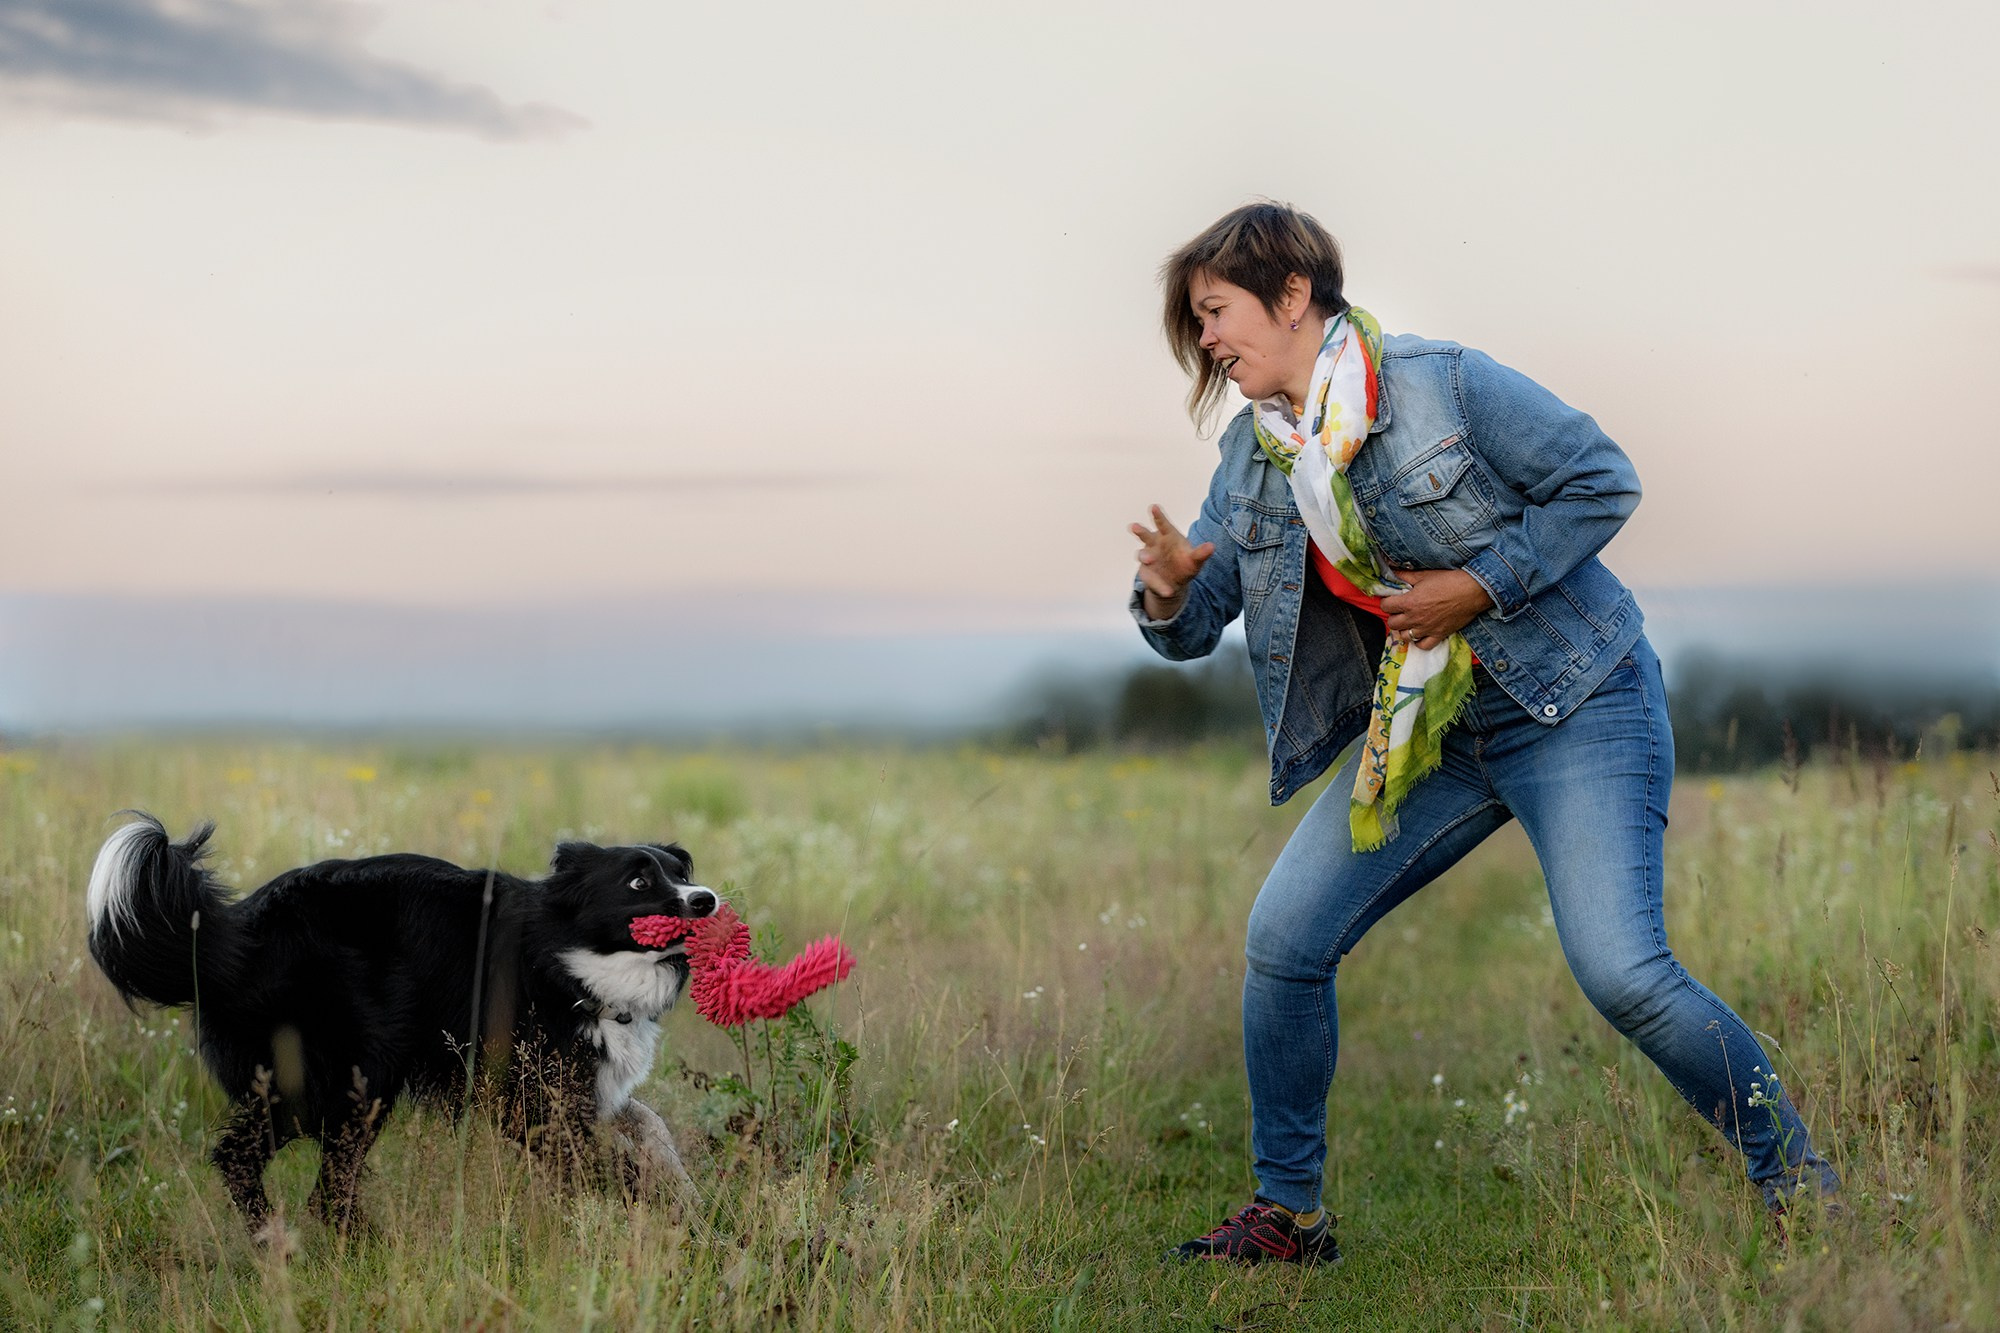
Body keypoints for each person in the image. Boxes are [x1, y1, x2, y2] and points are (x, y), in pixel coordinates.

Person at [1129, 201, 1837, 1267]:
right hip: (1428, 734)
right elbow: (1197, 622)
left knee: (1623, 972)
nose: (1207, 341)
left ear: (1291, 296)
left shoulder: (1439, 384)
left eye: (1216, 312)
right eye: (1196, 322)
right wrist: (1167, 593)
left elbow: (1603, 478)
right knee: (1282, 943)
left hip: (1575, 701)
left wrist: (1474, 584)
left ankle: (1801, 1186)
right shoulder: (1251, 454)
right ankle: (1288, 1218)